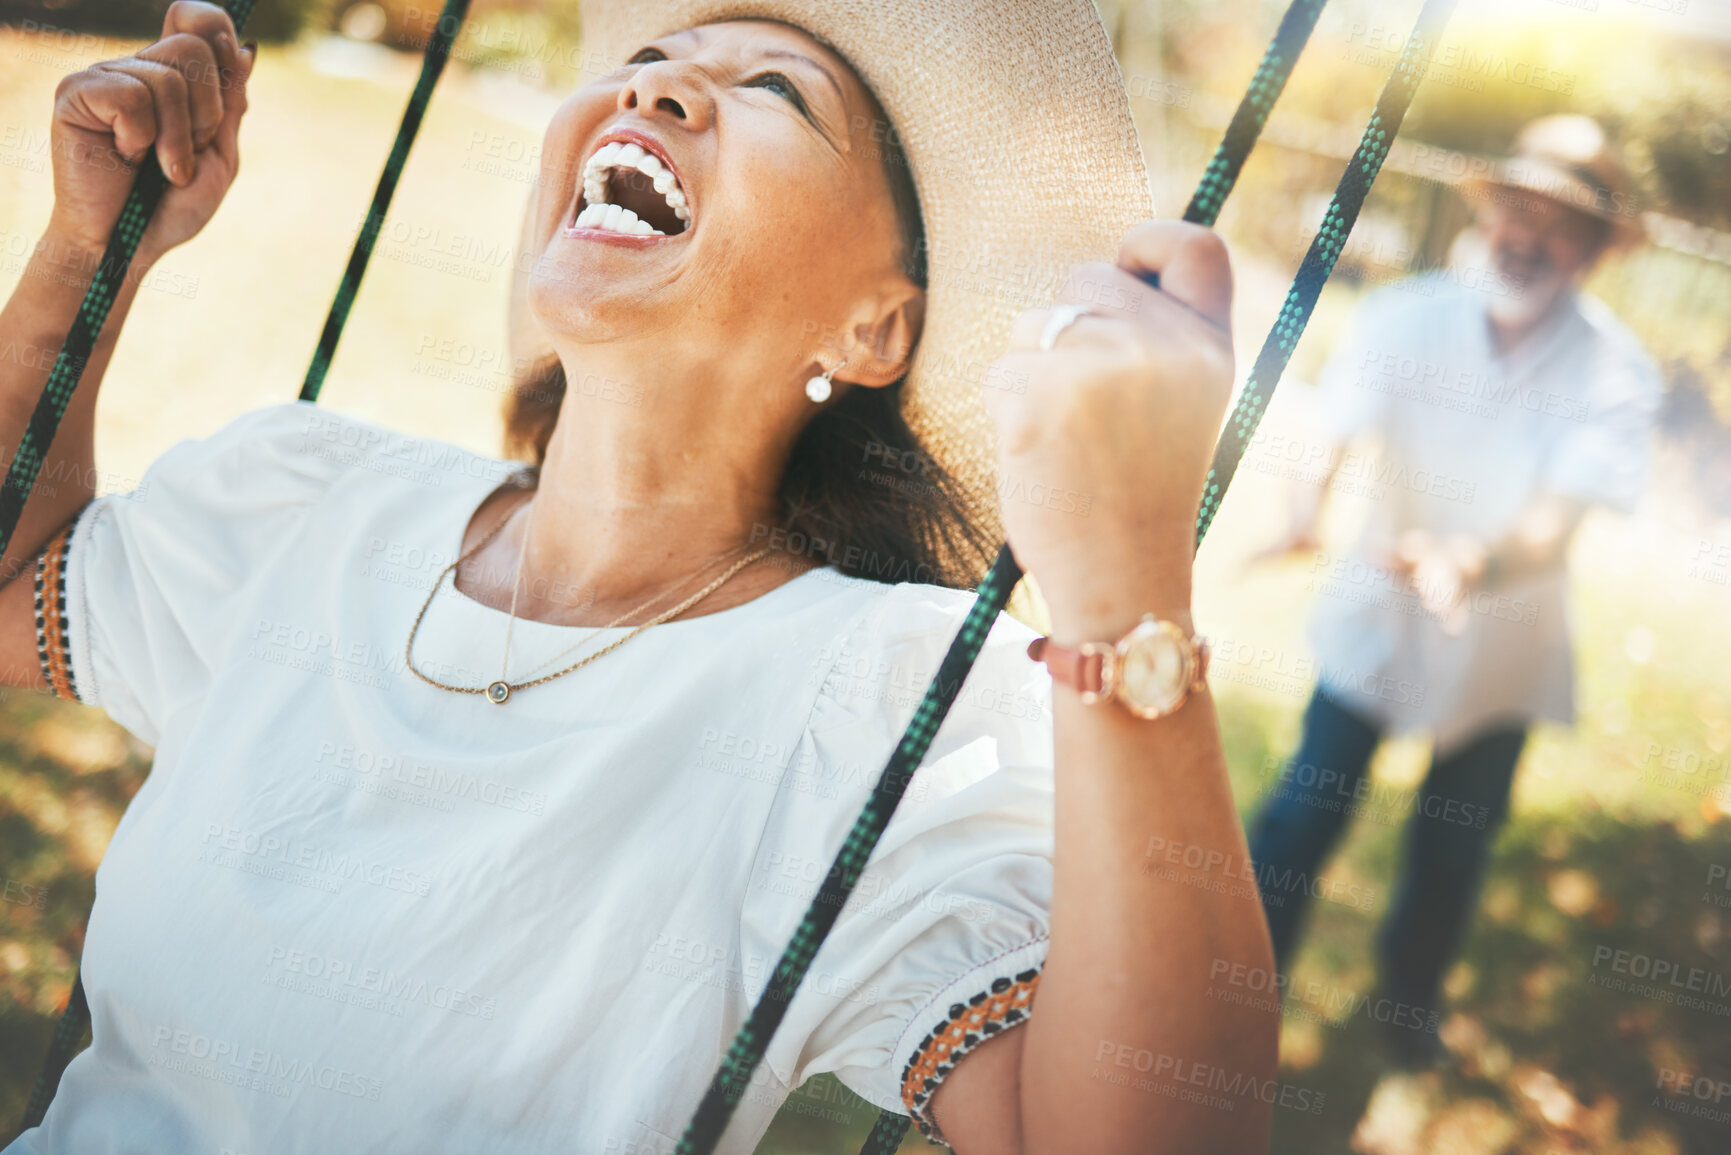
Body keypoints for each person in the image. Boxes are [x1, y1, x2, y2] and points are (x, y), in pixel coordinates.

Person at [0, 1, 1276, 1152]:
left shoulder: (883, 709)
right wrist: (84, 256)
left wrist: (1130, 592)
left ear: (875, 327)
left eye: (776, 92)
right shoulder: (311, 500)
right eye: (650, 59)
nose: (651, 90)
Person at [1245, 115, 1662, 1065]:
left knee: (1451, 850)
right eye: (1519, 208)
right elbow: (1332, 430)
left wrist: (1470, 559)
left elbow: (1558, 518)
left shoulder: (1617, 372)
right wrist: (1304, 508)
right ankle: (1234, 992)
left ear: (1595, 251)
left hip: (1504, 645)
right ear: (1490, 213)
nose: (1530, 236)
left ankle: (1404, 1012)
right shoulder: (1403, 315)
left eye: (1561, 224)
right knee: (1302, 817)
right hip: (1377, 618)